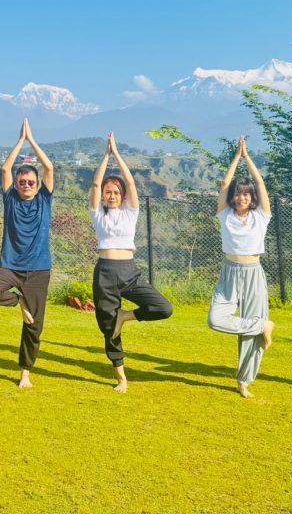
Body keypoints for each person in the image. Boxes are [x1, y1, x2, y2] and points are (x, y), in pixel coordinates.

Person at [90, 132, 172, 393]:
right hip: (104, 273)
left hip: (128, 271)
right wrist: (106, 156)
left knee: (163, 307)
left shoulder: (130, 212)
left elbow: (132, 183)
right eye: (108, 192)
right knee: (108, 327)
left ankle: (125, 316)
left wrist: (117, 154)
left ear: (123, 196)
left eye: (116, 192)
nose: (112, 195)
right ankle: (121, 377)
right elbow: (95, 184)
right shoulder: (97, 214)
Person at [0, 119, 54, 389]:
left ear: (37, 184)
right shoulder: (10, 199)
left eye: (31, 182)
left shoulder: (44, 199)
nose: (26, 184)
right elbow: (5, 168)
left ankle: (25, 372)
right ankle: (18, 301)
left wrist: (32, 140)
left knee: (34, 325)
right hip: (10, 267)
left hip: (38, 270)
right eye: (22, 181)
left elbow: (49, 168)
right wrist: (20, 141)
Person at [207, 136, 276, 398]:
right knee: (215, 319)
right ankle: (262, 325)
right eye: (238, 193)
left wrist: (248, 158)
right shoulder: (225, 214)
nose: (241, 197)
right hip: (229, 272)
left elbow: (261, 183)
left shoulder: (261, 216)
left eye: (246, 193)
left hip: (253, 273)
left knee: (249, 338)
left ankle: (244, 380)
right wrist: (237, 157)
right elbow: (225, 184)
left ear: (252, 197)